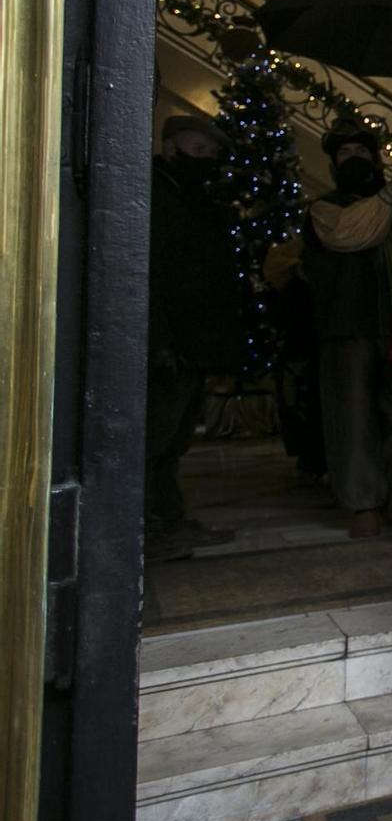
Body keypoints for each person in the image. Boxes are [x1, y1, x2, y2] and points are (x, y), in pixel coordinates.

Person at [301, 118, 392, 537]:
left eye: (362, 153)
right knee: (352, 415)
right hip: (346, 326)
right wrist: (391, 191)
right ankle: (363, 502)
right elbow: (352, 233)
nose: (355, 160)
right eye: (345, 155)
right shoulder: (325, 208)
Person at [146, 113, 243, 562]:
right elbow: (157, 271)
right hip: (169, 338)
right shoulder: (157, 195)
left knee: (176, 437)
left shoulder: (197, 197)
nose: (205, 159)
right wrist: (161, 339)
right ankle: (150, 526)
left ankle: (169, 518)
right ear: (172, 147)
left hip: (195, 336)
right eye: (197, 149)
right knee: (156, 437)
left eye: (210, 153)